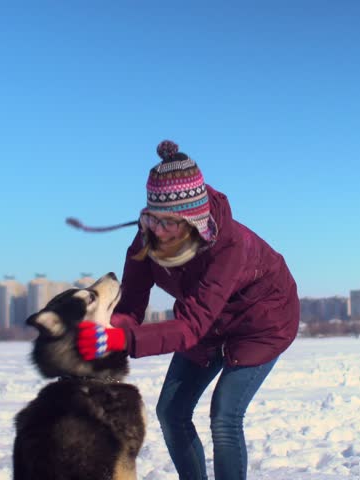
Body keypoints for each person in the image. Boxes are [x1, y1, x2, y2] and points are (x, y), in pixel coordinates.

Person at [76, 139, 300, 480]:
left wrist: (121, 340)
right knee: (171, 412)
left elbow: (190, 326)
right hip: (209, 323)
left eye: (171, 223)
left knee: (224, 416)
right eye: (155, 220)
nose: (159, 232)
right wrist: (107, 334)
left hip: (261, 322)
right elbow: (131, 307)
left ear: (195, 222)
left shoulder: (229, 247)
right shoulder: (145, 242)